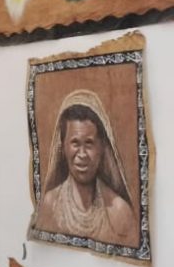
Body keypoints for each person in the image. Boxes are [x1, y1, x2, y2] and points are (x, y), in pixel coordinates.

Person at [32, 89, 137, 247]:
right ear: (63, 147)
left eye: (89, 143)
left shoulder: (119, 211)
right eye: (75, 143)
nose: (82, 154)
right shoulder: (50, 205)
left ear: (101, 147)